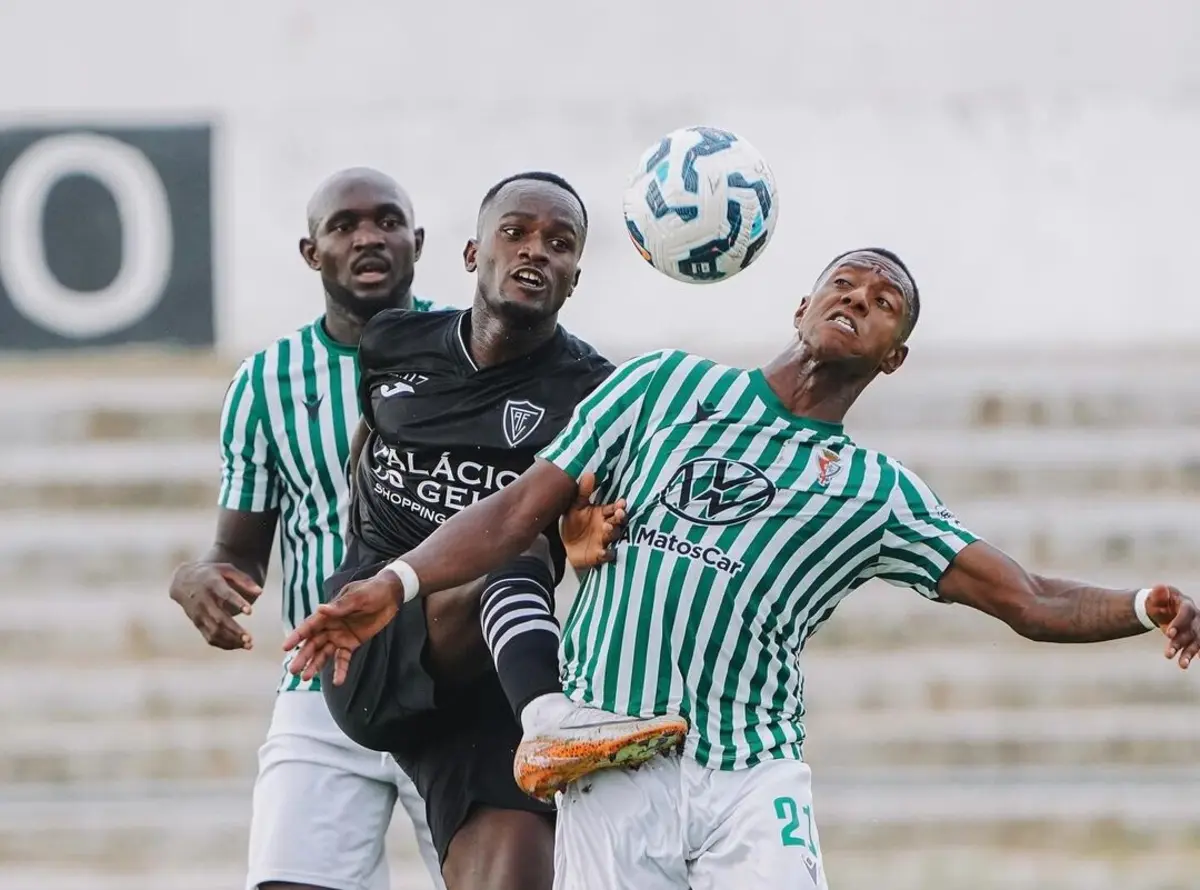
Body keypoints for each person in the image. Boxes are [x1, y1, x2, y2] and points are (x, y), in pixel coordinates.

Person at [284, 246, 1200, 890]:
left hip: (749, 774)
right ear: (798, 307)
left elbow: (1028, 599)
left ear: (896, 356)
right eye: (842, 283)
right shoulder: (663, 387)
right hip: (609, 759)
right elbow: (517, 511)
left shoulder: (878, 493)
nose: (858, 298)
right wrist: (397, 581)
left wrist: (1141, 602)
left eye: (883, 301)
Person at [304, 170, 685, 890]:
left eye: (559, 242)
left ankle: (544, 721)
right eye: (515, 233)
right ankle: (549, 719)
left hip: (493, 683)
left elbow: (601, 529)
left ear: (575, 278)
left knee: (515, 874)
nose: (535, 251)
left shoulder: (595, 394)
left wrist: (583, 549)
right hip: (374, 636)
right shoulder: (393, 341)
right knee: (512, 556)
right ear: (474, 254)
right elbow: (370, 445)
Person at [168, 167, 446, 890]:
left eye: (387, 221)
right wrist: (200, 579)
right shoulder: (266, 380)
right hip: (326, 679)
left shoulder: (470, 353)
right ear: (310, 251)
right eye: (344, 226)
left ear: (417, 242)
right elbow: (238, 554)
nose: (368, 237)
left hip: (454, 678)